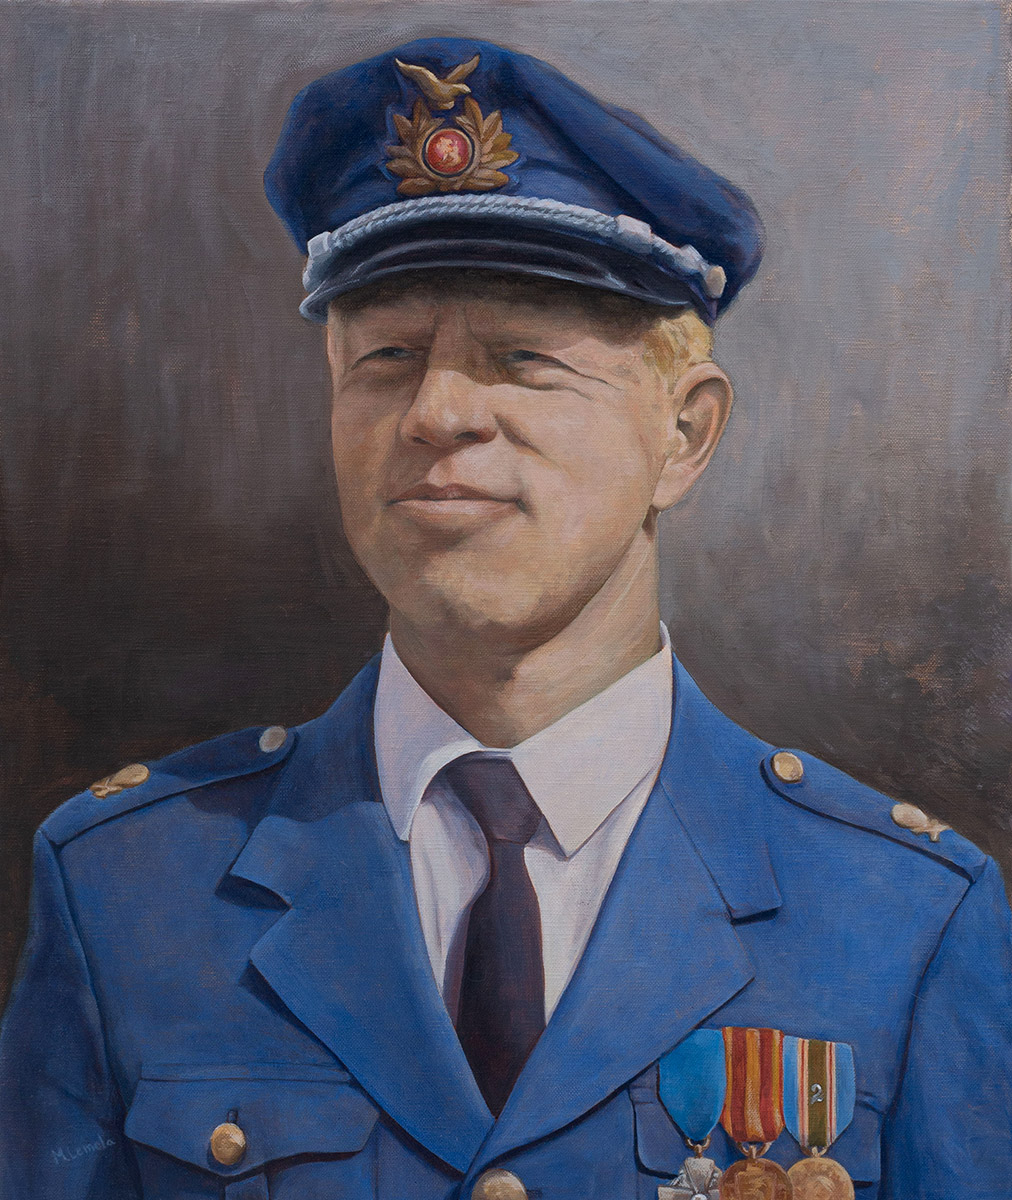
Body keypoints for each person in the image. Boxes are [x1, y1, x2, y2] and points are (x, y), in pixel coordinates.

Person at [1, 36, 1010, 1200]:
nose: (435, 412)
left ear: (682, 435)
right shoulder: (126, 888)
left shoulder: (902, 917)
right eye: (387, 356)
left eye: (522, 359)